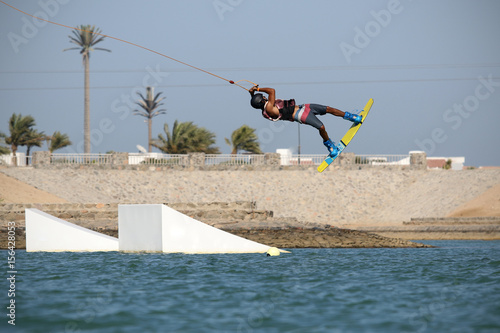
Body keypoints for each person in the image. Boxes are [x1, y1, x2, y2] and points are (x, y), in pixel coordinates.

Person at [249, 86, 362, 157]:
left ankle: (350, 116)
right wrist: (257, 89)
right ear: (262, 101)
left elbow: (259, 100)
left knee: (328, 109)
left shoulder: (265, 109)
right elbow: (271, 91)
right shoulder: (268, 108)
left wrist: (252, 94)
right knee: (321, 127)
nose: (265, 97)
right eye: (263, 97)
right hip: (300, 115)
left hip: (303, 107)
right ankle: (330, 147)